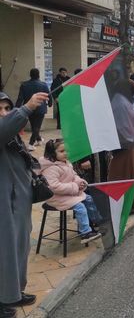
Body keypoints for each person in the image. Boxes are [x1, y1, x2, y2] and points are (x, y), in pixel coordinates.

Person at [0, 91, 48, 318]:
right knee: (5, 250)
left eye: (7, 108)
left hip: (20, 199)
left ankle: (14, 292)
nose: (4, 113)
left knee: (20, 246)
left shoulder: (11, 135)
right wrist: (26, 107)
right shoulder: (4, 130)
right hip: (5, 202)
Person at [39, 139, 102, 244]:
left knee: (89, 199)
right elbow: (53, 187)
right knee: (80, 207)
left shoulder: (66, 163)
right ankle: (85, 233)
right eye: (62, 151)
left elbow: (74, 176)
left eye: (67, 150)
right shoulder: (51, 168)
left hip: (68, 194)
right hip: (56, 197)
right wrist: (74, 186)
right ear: (52, 153)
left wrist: (80, 182)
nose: (66, 153)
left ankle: (98, 222)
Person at [16, 69, 50, 151]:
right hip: (40, 108)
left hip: (29, 108)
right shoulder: (43, 84)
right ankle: (31, 144)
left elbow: (20, 98)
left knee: (34, 126)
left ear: (30, 75)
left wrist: (16, 108)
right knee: (36, 126)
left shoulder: (24, 85)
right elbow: (48, 95)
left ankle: (38, 139)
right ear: (38, 75)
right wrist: (50, 103)